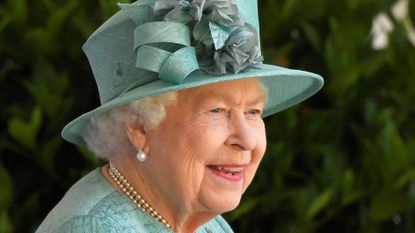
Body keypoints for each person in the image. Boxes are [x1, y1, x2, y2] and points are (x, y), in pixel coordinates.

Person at [36, 0, 323, 232]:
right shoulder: (94, 228)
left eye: (253, 111)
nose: (247, 140)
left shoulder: (203, 223)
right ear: (139, 127)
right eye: (217, 110)